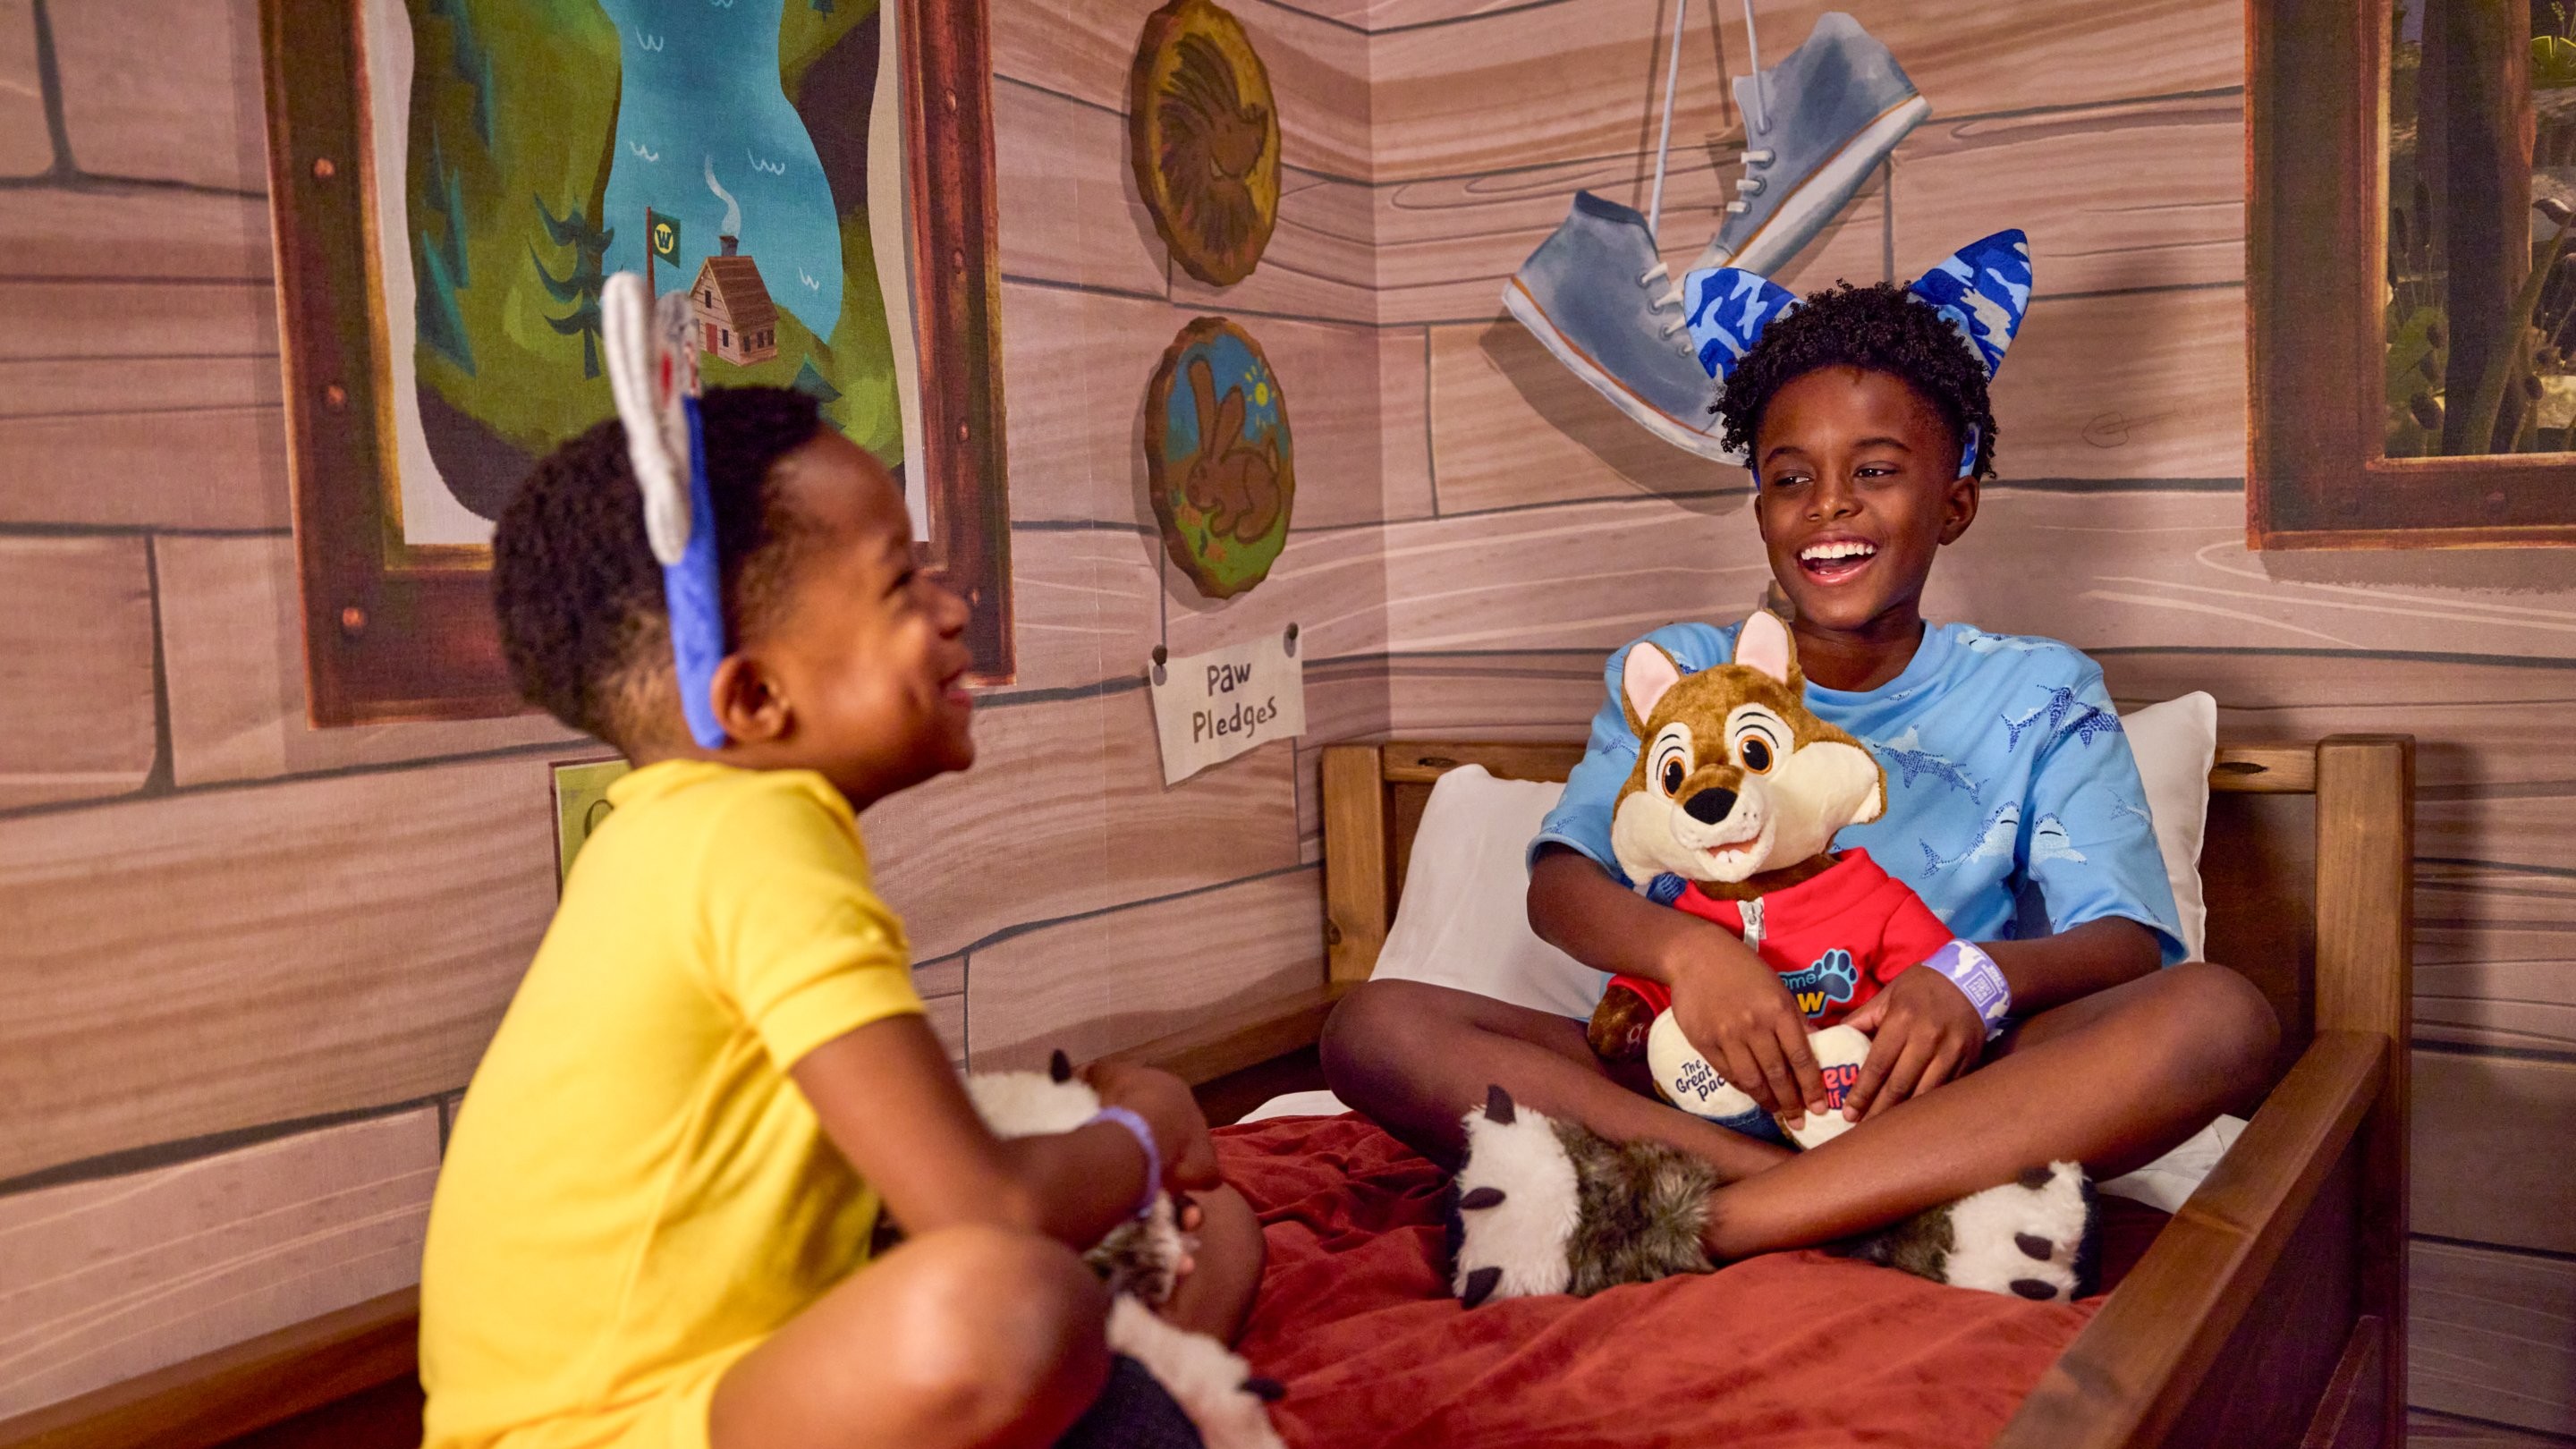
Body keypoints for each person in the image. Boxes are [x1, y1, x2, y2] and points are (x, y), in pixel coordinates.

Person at [1320, 280, 2280, 1263]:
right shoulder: (1681, 670)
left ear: (1955, 503)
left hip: (1927, 1092)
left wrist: (1975, 980)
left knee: (2221, 1019)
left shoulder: (2039, 691)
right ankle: (1847, 1203)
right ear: (1760, 510)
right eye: (1791, 478)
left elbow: (2122, 942)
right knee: (1376, 1024)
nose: (1830, 505)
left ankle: (1717, 1223)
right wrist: (1693, 960)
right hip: (1679, 1076)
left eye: (1875, 469)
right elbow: (1562, 886)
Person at [420, 387, 1263, 1449]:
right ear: (757, 702)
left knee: (1182, 1283)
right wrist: (1147, 1131)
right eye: (901, 582)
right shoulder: (751, 837)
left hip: (724, 1391)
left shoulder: (668, 837)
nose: (952, 607)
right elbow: (987, 1214)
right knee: (1015, 1307)